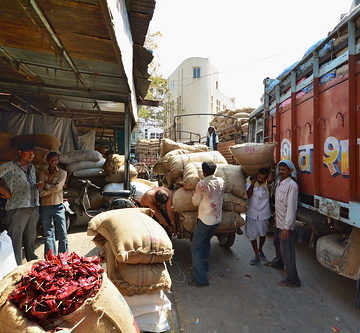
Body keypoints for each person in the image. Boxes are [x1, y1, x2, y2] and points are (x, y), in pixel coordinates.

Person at [0, 143, 41, 265]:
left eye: (32, 152)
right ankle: (15, 266)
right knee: (16, 239)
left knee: (31, 237)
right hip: (17, 207)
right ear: (19, 152)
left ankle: (31, 264)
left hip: (33, 206)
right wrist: (4, 192)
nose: (31, 155)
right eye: (28, 152)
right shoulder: (10, 166)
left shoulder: (32, 167)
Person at [266, 160, 301, 288]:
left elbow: (291, 209)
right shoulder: (280, 183)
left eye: (284, 170)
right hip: (279, 221)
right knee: (276, 241)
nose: (281, 172)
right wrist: (276, 218)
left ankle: (293, 279)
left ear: (290, 171)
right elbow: (279, 204)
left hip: (286, 225)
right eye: (279, 170)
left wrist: (286, 228)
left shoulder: (292, 185)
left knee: (287, 252)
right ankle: (279, 263)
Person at [189, 161, 224, 287]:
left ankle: (201, 279)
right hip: (217, 219)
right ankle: (204, 268)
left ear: (203, 171)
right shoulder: (220, 181)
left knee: (196, 247)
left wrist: (194, 195)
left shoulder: (201, 184)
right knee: (205, 243)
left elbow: (195, 202)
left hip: (205, 220)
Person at [38, 151, 68, 256]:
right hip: (45, 206)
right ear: (47, 161)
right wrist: (52, 187)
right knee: (48, 234)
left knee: (63, 233)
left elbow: (57, 187)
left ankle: (64, 256)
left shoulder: (63, 173)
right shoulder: (41, 173)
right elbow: (40, 193)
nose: (53, 162)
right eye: (51, 160)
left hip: (58, 205)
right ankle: (50, 257)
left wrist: (46, 185)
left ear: (58, 161)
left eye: (56, 160)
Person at [245, 168, 271, 265]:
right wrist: (252, 183)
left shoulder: (268, 184)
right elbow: (247, 195)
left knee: (263, 233)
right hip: (251, 213)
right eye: (260, 177)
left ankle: (260, 250)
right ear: (257, 175)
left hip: (264, 213)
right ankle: (256, 254)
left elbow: (272, 174)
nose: (261, 180)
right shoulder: (249, 181)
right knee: (252, 235)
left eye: (263, 178)